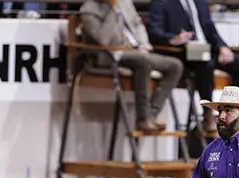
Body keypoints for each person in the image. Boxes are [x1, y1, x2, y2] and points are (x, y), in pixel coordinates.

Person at [145, 0, 239, 132]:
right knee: (205, 65)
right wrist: (174, 39)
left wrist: (222, 47)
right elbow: (155, 32)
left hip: (207, 50)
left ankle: (231, 113)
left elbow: (210, 29)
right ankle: (208, 114)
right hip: (181, 53)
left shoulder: (199, 2)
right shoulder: (162, 2)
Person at [79, 0, 184, 134]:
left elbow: (137, 24)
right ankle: (143, 118)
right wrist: (112, 10)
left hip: (137, 51)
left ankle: (151, 114)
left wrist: (144, 45)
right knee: (143, 62)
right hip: (112, 54)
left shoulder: (125, 2)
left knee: (175, 66)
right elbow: (103, 40)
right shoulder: (88, 10)